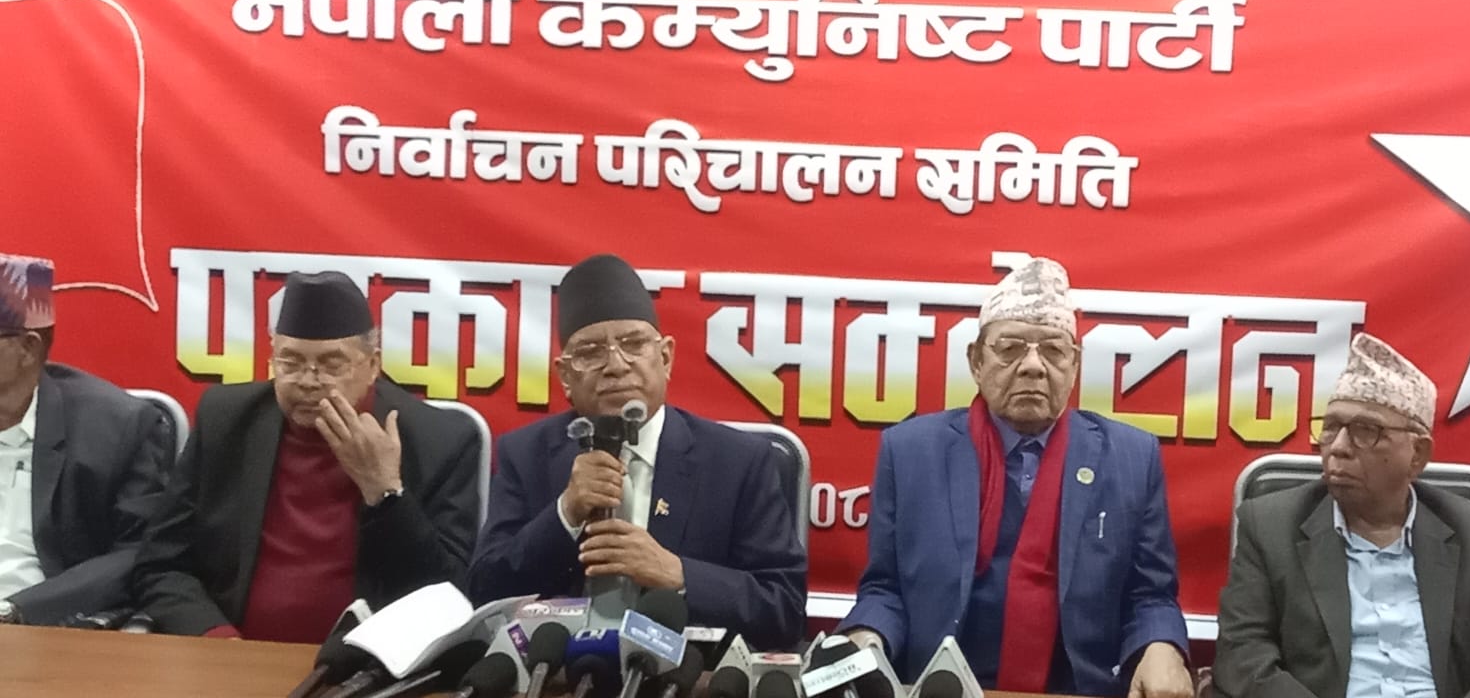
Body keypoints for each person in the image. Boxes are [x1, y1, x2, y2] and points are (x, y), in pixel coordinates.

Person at [840, 257, 1191, 697]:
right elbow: (884, 588)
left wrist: (1162, 647)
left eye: (1053, 351)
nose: (1033, 367)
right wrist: (867, 640)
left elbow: (1150, 595)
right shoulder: (911, 452)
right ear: (976, 361)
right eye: (1010, 349)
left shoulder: (1131, 457)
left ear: (1075, 364)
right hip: (937, 686)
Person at [468, 254, 806, 649]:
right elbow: (484, 595)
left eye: (633, 344)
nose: (615, 365)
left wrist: (679, 575)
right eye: (590, 352)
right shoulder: (527, 454)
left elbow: (784, 610)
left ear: (665, 358)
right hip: (556, 671)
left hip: (684, 676)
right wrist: (564, 512)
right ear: (565, 376)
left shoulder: (737, 462)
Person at [132, 271, 481, 642]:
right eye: (291, 362)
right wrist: (217, 638)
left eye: (331, 365)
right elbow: (161, 564)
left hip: (370, 663)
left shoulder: (438, 440)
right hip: (232, 653)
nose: (309, 381)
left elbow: (447, 597)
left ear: (372, 365)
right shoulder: (227, 421)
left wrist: (385, 492)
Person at [1212, 333, 1470, 698]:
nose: (1338, 448)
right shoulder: (1270, 526)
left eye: (1365, 431)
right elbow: (1242, 658)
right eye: (1330, 428)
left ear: (1417, 455)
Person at [0, 253, 169, 626]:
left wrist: (15, 611)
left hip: (41, 628)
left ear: (28, 348)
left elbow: (140, 552)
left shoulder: (117, 427)